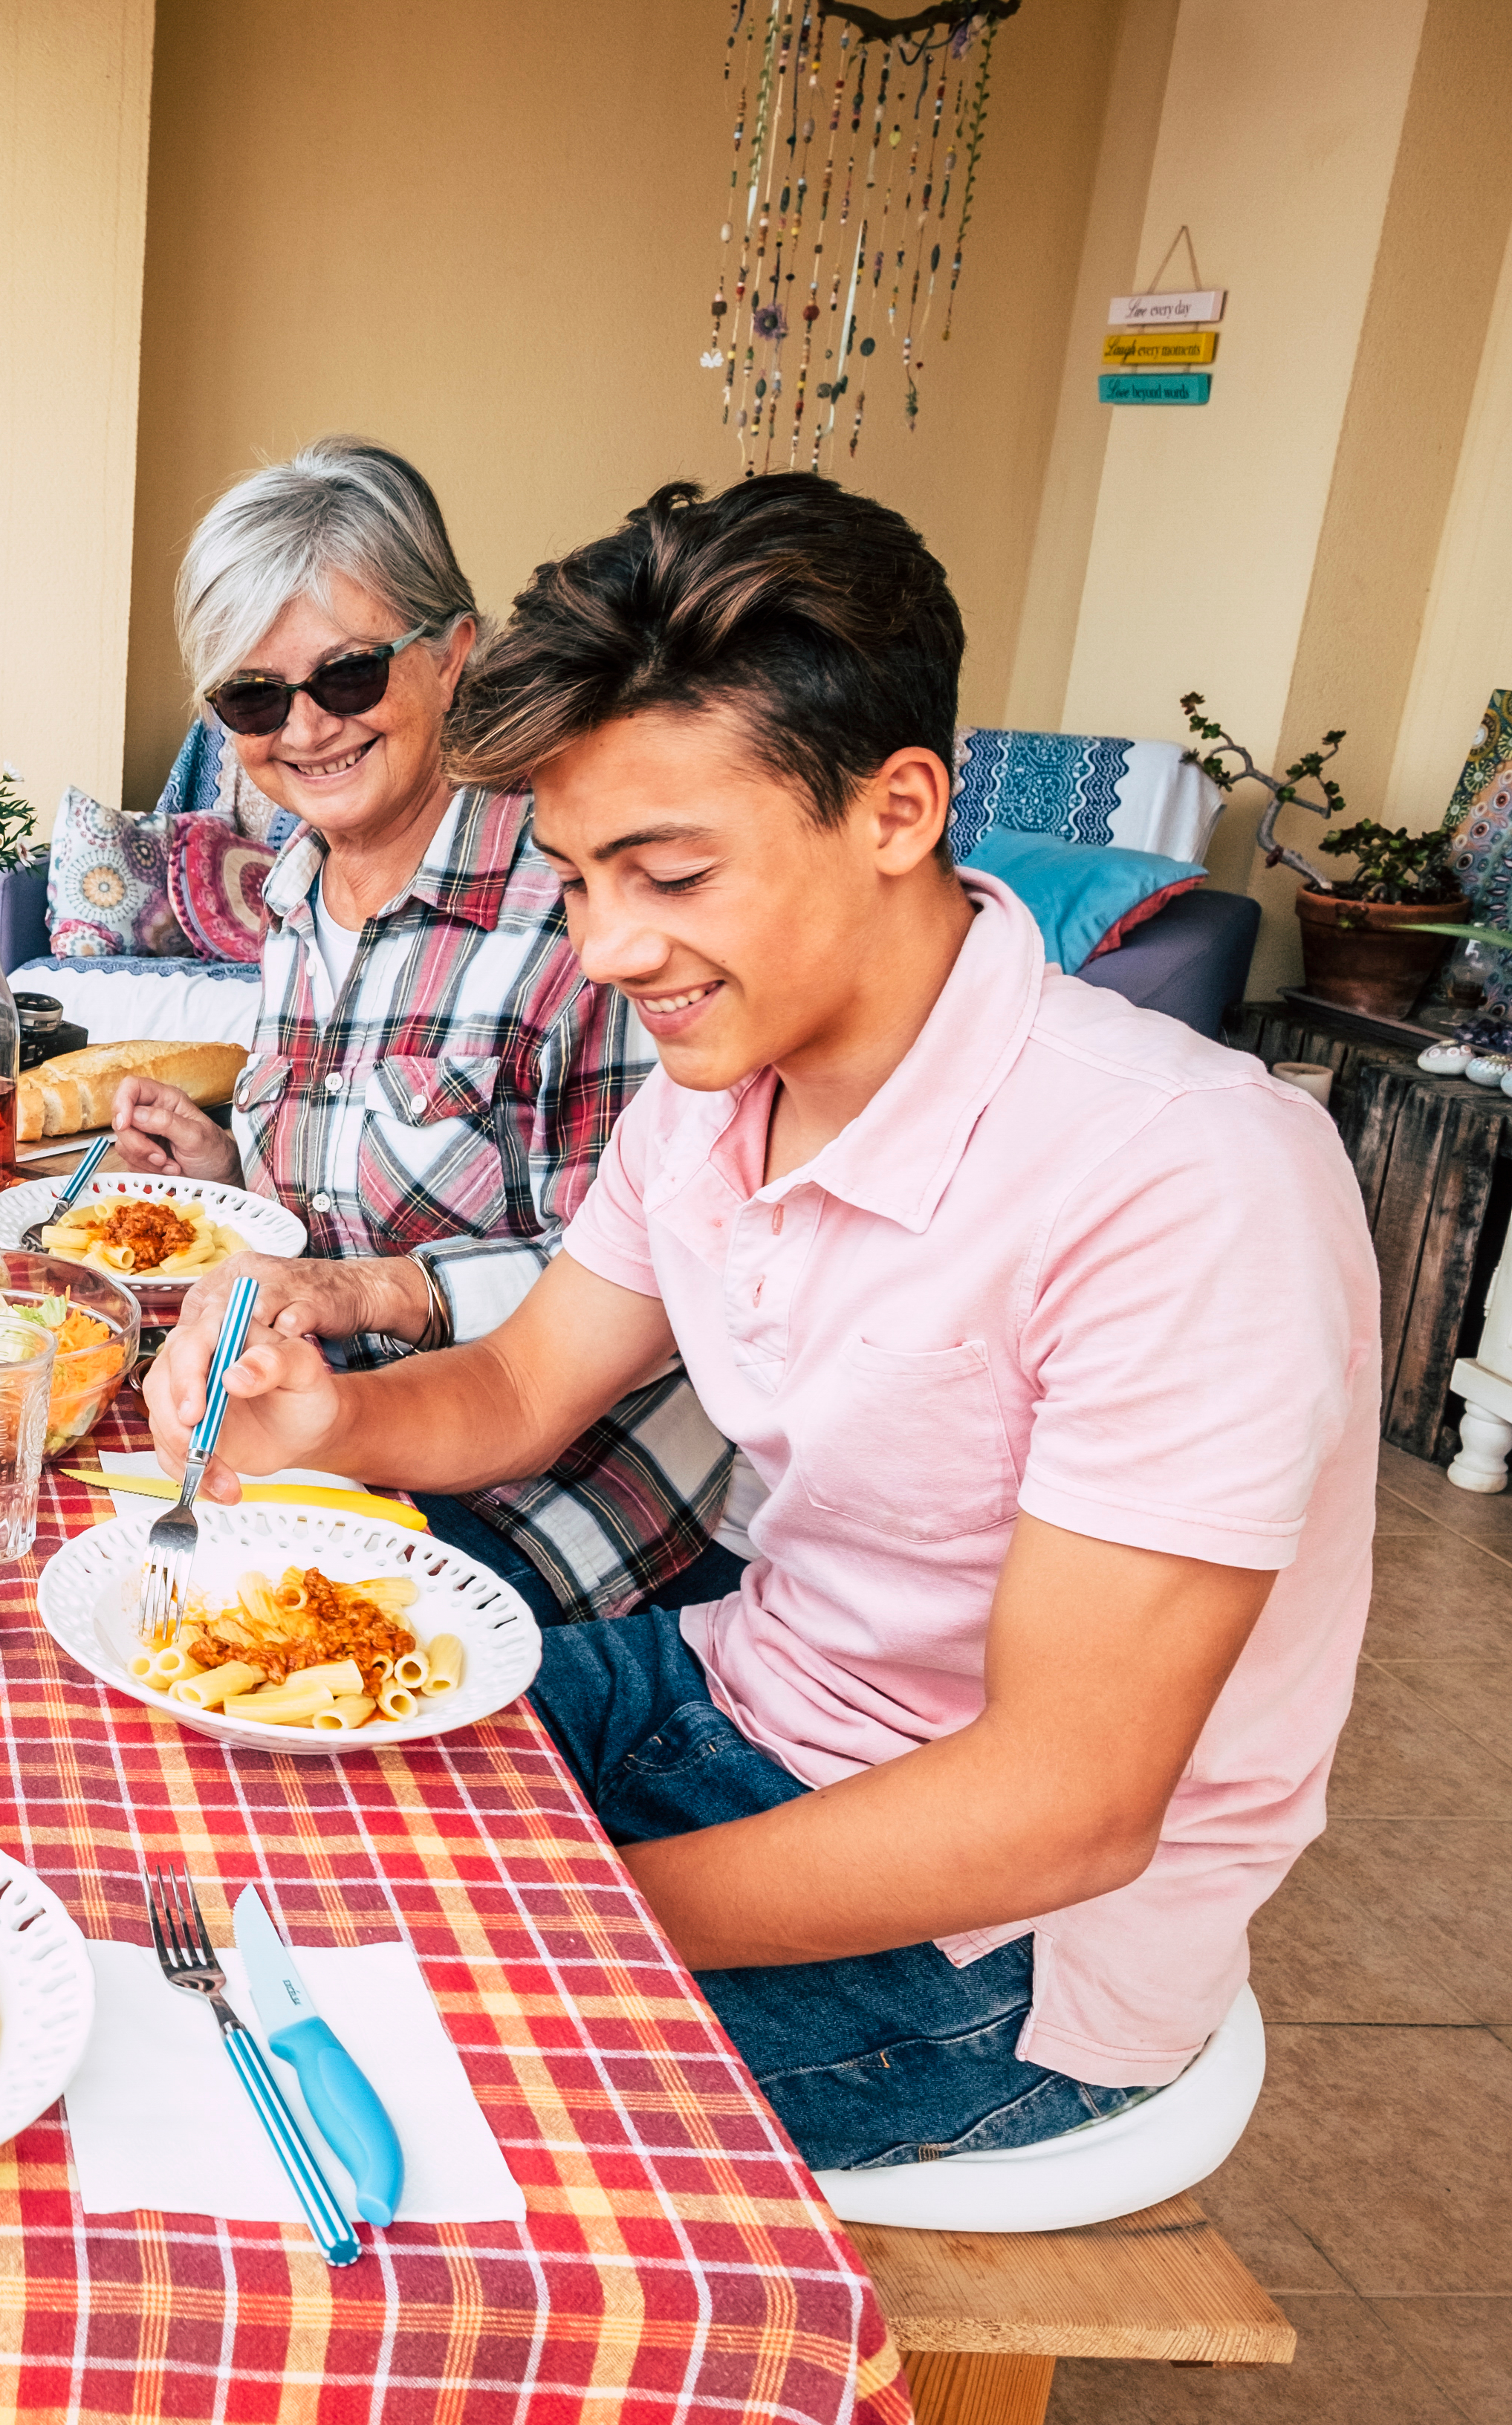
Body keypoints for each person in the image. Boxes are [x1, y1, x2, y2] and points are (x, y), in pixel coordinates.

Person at [148, 472, 1377, 2172]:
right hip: (727, 1690)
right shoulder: (716, 1095)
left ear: (898, 811)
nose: (607, 948)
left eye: (668, 874)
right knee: (214, 1813)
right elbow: (519, 1385)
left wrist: (532, 1912)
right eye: (577, 881)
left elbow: (1067, 1806)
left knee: (339, 2064)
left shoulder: (1184, 1177)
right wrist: (326, 1417)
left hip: (1001, 1941)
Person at [108, 438, 738, 1625]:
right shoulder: (298, 895)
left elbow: (656, 1283)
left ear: (454, 657)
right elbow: (335, 1208)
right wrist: (224, 1172)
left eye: (347, 676)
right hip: (340, 1449)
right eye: (254, 696)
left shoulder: (578, 908)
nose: (305, 729)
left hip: (553, 1513)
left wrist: (368, 1289)